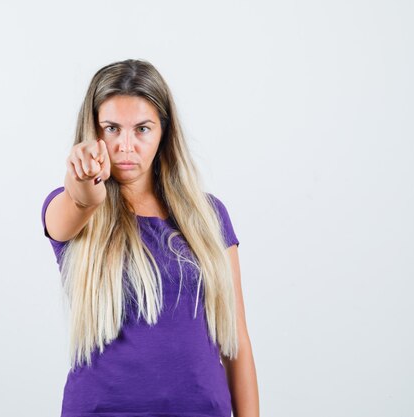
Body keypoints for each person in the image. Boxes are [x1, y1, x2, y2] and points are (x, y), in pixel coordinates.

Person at [41, 59, 259, 417]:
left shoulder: (209, 216)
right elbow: (74, 208)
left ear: (163, 132)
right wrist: (84, 188)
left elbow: (236, 342)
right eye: (111, 128)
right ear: (93, 132)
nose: (126, 146)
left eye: (142, 129)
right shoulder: (72, 210)